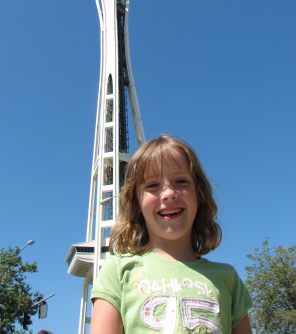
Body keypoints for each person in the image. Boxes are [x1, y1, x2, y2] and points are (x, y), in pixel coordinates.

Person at [90, 135, 253, 333]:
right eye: (152, 185)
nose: (169, 193)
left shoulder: (228, 280)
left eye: (181, 181)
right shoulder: (118, 272)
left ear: (199, 195)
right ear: (136, 203)